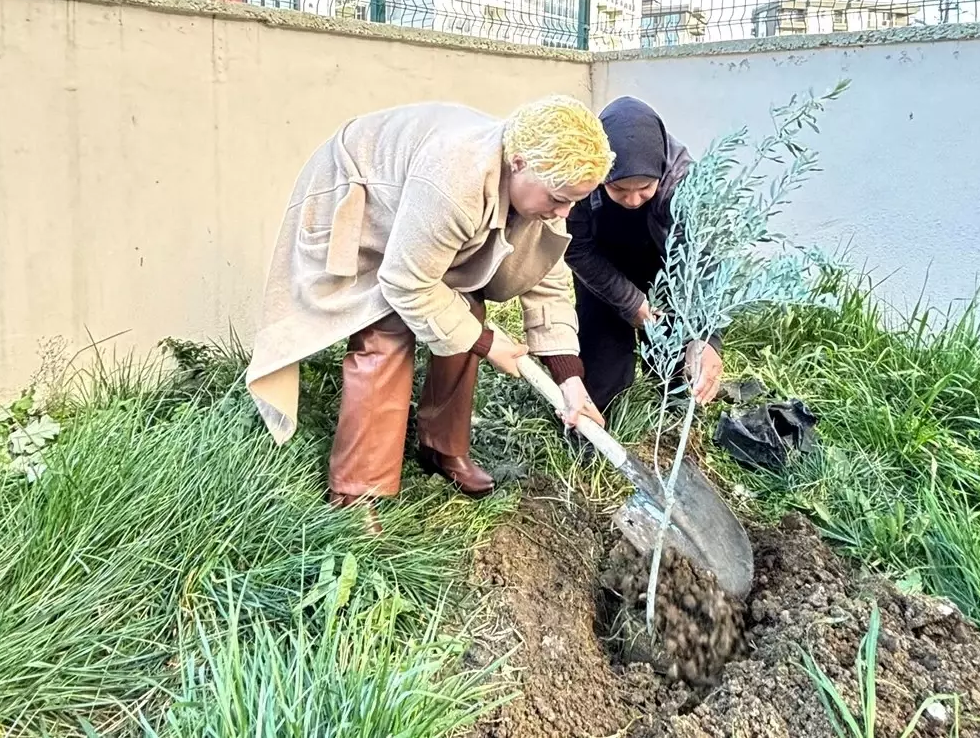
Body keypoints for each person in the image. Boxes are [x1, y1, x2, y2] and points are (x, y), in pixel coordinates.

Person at [246, 96, 613, 532]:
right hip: (360, 190)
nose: (564, 213)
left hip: (425, 212)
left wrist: (570, 379)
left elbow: (546, 280)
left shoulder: (548, 187)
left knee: (465, 310)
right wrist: (489, 344)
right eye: (558, 200)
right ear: (518, 163)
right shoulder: (456, 177)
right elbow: (405, 282)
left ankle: (441, 445)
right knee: (386, 328)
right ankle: (356, 490)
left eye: (574, 202)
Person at [564, 95, 724, 415]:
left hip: (663, 268)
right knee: (601, 383)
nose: (634, 200)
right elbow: (576, 247)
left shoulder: (686, 186)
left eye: (645, 188)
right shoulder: (583, 174)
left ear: (660, 174)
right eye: (619, 189)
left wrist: (707, 339)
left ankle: (672, 413)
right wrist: (630, 302)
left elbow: (705, 265)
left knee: (676, 379)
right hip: (603, 269)